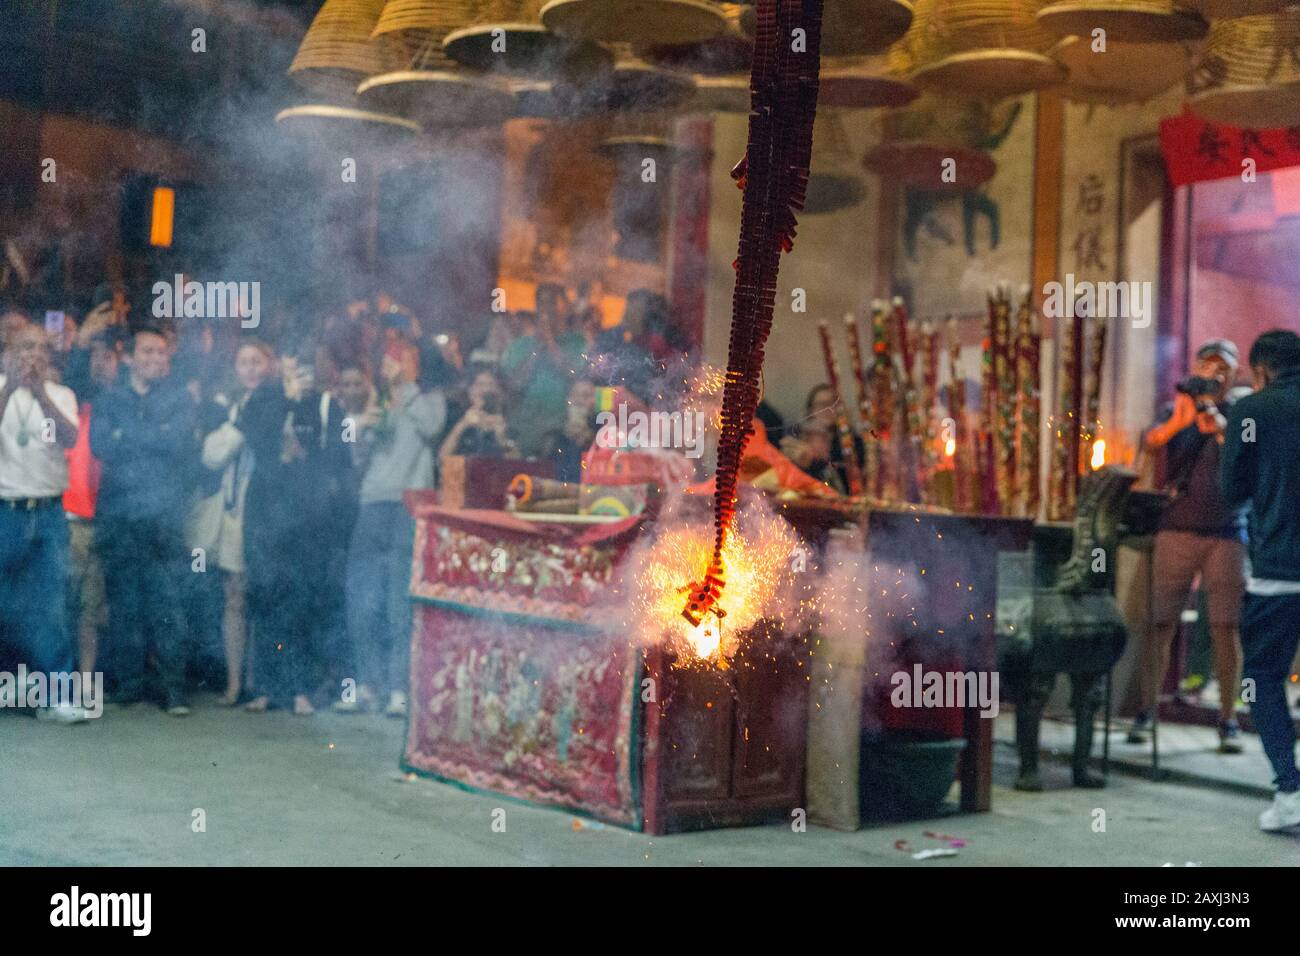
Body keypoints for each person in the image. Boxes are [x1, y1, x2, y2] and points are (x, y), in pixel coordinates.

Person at [1130, 339, 1245, 752]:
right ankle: (1146, 711)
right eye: (1209, 366)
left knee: (1225, 627)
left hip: (1228, 533)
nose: (1216, 374)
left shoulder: (1241, 413)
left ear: (1235, 374)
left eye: (1224, 367)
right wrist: (1184, 419)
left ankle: (1228, 720)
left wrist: (1219, 424)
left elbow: (1248, 456)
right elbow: (1151, 444)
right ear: (1196, 369)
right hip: (1176, 528)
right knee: (1160, 623)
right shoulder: (1175, 407)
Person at [91, 325, 197, 716]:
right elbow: (101, 445)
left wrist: (129, 436)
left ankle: (173, 689)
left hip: (163, 517)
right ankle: (131, 683)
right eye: (148, 352)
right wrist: (154, 434)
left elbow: (178, 443)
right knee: (124, 602)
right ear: (130, 359)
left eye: (162, 353)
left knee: (168, 601)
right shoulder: (109, 399)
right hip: (119, 516)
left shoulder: (180, 399)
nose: (157, 359)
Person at [240, 349, 353, 716]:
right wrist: (285, 401)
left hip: (307, 514)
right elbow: (256, 440)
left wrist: (306, 458)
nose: (296, 372)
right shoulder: (263, 399)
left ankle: (300, 687)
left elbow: (341, 457)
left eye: (301, 366)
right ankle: (267, 687)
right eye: (290, 365)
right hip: (264, 513)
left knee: (301, 599)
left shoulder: (325, 406)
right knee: (266, 596)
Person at [339, 343, 447, 717]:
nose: (392, 365)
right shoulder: (377, 401)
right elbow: (355, 457)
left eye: (399, 358)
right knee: (363, 597)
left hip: (409, 503)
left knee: (399, 599)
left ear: (413, 364)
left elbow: (432, 429)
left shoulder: (429, 400)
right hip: (371, 501)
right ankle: (368, 684)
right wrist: (361, 429)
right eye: (387, 358)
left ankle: (399, 689)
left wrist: (407, 391)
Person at [1220, 329, 1300, 832]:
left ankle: (1290, 791)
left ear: (1262, 370)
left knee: (1262, 678)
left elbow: (1234, 490)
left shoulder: (1252, 412)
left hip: (1278, 571)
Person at [0, 323, 87, 722]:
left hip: (48, 512)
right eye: (24, 347)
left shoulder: (60, 394)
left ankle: (57, 696)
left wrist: (37, 392)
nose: (31, 354)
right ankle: (10, 684)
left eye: (38, 348)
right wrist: (10, 389)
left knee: (50, 603)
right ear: (9, 352)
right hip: (5, 510)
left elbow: (68, 438)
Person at [189, 340, 275, 705]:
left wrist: (235, 432)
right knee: (233, 594)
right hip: (232, 508)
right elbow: (210, 456)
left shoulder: (275, 402)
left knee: (257, 595)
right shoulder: (232, 408)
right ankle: (235, 681)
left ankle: (258, 681)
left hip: (264, 509)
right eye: (244, 362)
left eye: (257, 361)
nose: (251, 369)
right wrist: (236, 428)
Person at [62, 328, 123, 676]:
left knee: (92, 608)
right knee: (61, 606)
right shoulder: (69, 406)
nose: (100, 364)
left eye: (108, 356)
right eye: (94, 357)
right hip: (67, 518)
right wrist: (82, 346)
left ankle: (86, 680)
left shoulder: (119, 408)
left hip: (102, 522)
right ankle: (60, 680)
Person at [501, 284, 586, 457]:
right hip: (525, 427)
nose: (547, 309)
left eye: (553, 303)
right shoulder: (520, 345)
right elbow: (515, 384)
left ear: (565, 308)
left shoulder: (578, 343)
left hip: (562, 428)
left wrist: (550, 342)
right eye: (541, 303)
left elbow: (574, 376)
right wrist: (537, 348)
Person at [438, 367, 516, 463]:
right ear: (470, 390)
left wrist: (502, 438)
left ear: (499, 393)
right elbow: (442, 459)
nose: (484, 390)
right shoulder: (454, 417)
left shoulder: (507, 423)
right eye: (479, 384)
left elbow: (520, 466)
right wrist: (463, 425)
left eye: (491, 385)